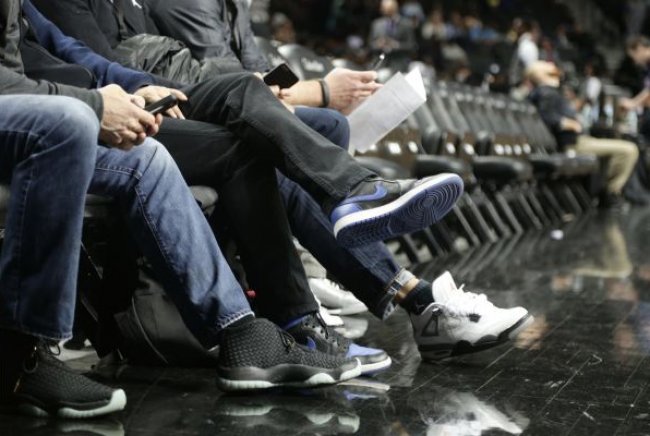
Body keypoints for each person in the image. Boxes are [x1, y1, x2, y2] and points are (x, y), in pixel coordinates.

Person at [27, 0, 534, 363]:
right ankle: (367, 289)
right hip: (91, 115)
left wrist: (146, 85)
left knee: (264, 109)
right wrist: (311, 89)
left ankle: (352, 212)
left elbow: (95, 59)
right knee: (260, 138)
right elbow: (87, 65)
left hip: (150, 98)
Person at [527, 61, 639, 207]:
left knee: (621, 149)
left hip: (578, 139)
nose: (558, 76)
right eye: (552, 73)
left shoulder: (548, 92)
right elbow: (547, 117)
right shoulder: (546, 93)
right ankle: (610, 191)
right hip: (573, 143)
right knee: (629, 150)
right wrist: (567, 123)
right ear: (540, 76)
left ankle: (605, 191)